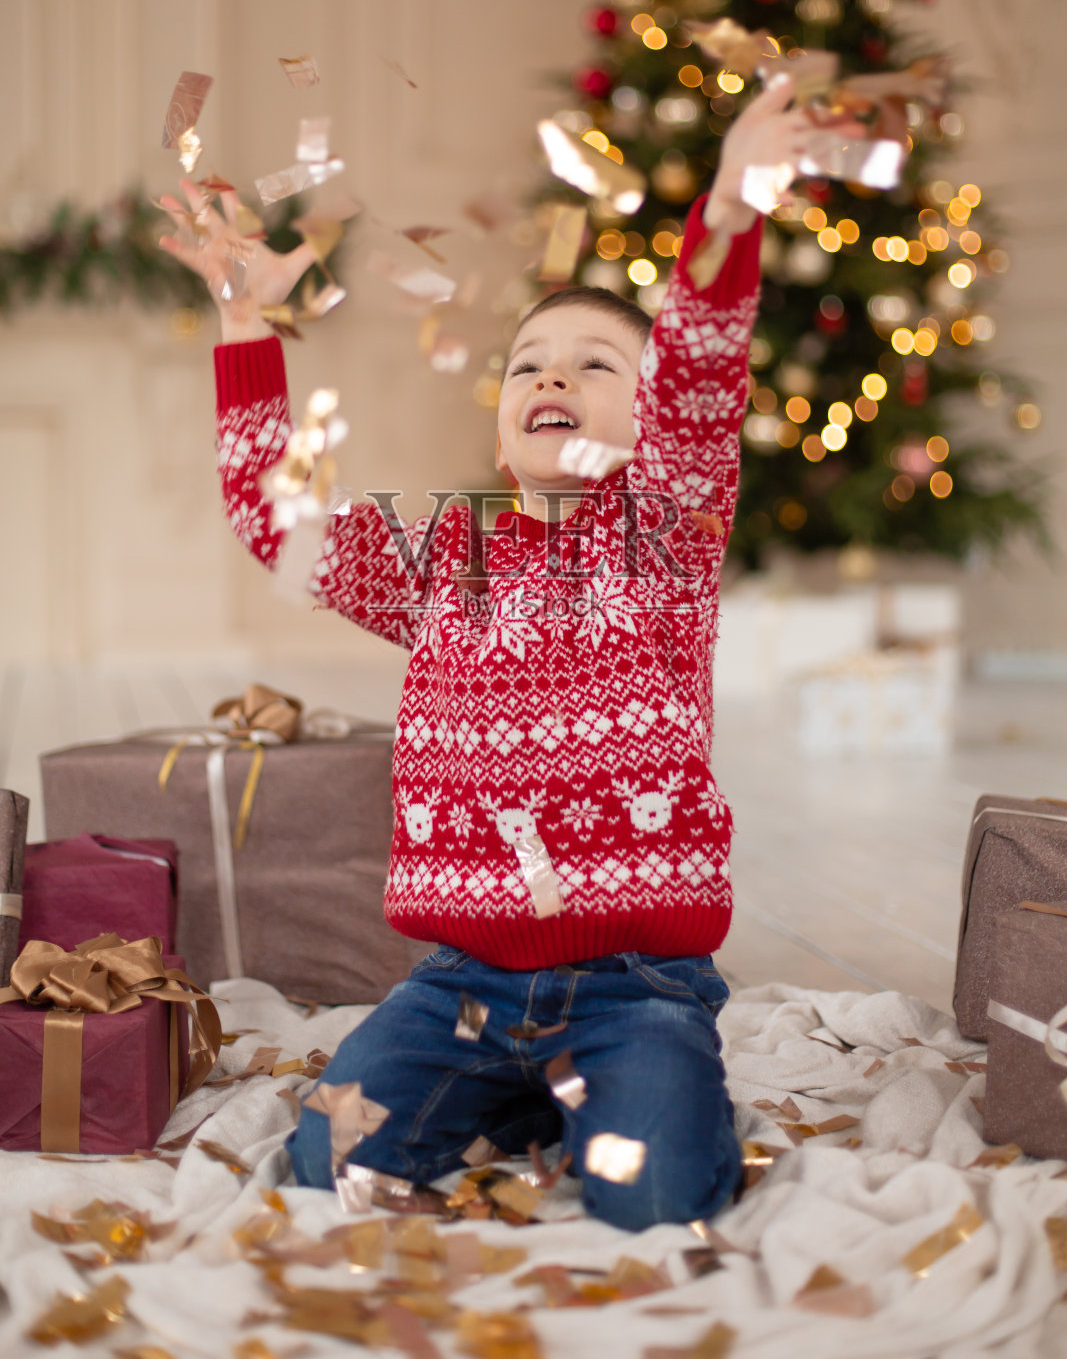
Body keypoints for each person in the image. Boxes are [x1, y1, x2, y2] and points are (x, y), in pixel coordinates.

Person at [161, 73, 825, 1230]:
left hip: (635, 986)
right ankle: (519, 1098)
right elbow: (277, 519)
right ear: (503, 414)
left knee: (657, 1195)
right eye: (528, 364)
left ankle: (591, 1099)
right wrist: (241, 320)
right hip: (462, 981)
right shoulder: (436, 559)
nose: (552, 376)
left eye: (594, 364)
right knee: (326, 1167)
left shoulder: (664, 536)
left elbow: (708, 370)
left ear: (652, 420)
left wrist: (727, 206)